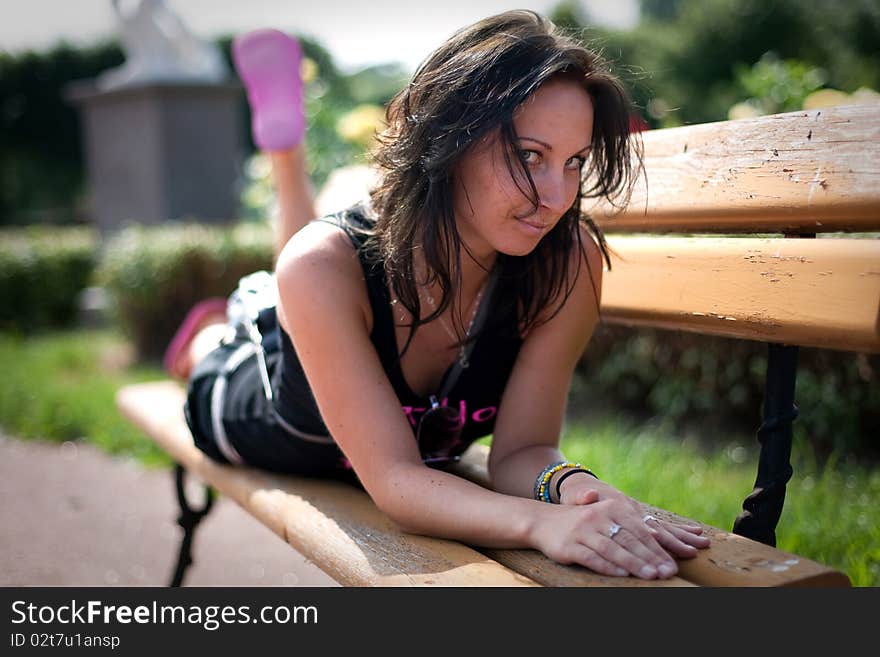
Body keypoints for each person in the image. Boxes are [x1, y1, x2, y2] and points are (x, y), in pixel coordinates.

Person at [166, 10, 710, 580]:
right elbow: (397, 482)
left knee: (297, 288)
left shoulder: (568, 263)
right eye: (529, 155)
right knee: (259, 316)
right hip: (266, 415)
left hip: (341, 351)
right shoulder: (323, 266)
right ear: (449, 139)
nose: (556, 196)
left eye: (573, 162)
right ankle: (212, 329)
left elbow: (523, 453)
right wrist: (539, 524)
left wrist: (577, 490)